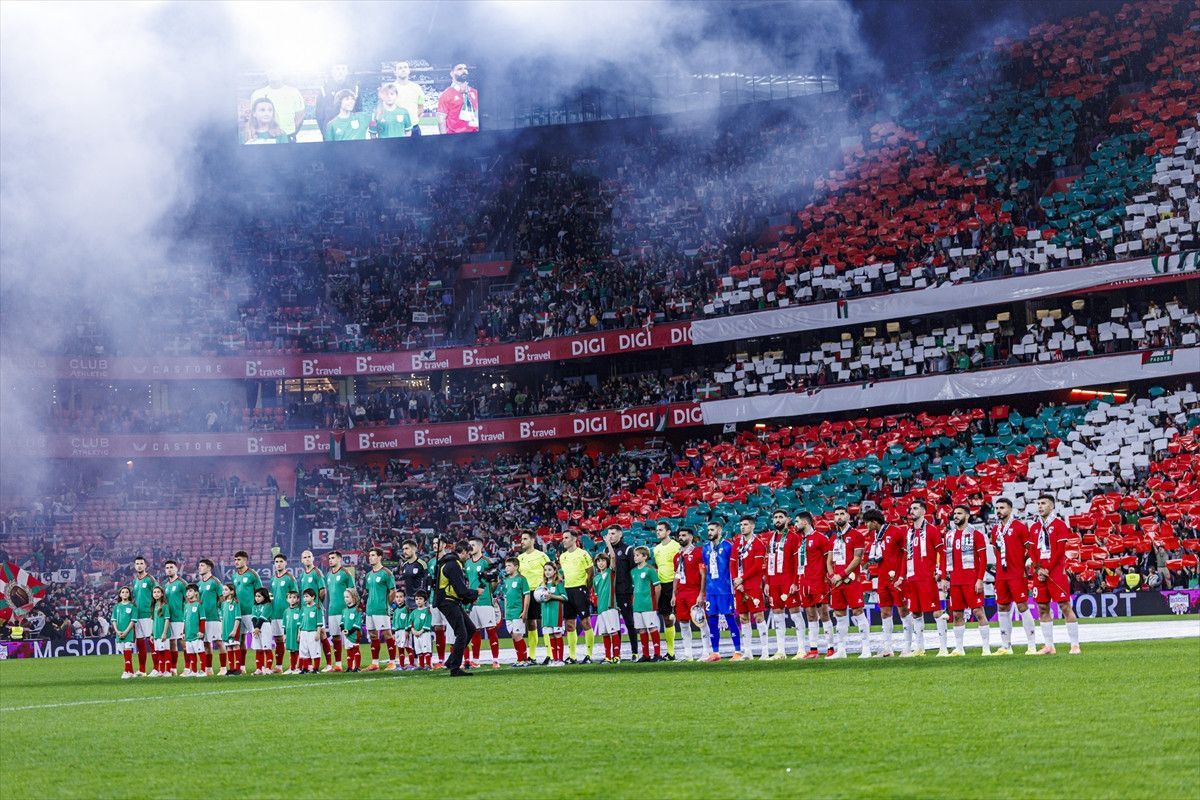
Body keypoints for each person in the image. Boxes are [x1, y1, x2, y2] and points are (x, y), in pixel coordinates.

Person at [1029, 494, 1080, 655]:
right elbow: (1032, 551)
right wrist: (1038, 568)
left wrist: (1048, 569)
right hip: (1039, 572)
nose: (1040, 506)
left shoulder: (1059, 525)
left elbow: (1059, 551)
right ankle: (1049, 646)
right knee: (1042, 607)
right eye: (1038, 503)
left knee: (1065, 606)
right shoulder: (1034, 527)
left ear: (1051, 506)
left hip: (1056, 571)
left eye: (1043, 503)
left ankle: (1075, 645)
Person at [989, 497, 1038, 655]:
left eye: (1002, 508)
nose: (999, 511)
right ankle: (1006, 646)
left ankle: (1032, 646)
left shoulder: (1019, 527)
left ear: (1010, 509)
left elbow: (1029, 547)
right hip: (1001, 575)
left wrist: (1028, 560)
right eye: (997, 508)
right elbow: (995, 550)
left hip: (1017, 573)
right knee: (1002, 607)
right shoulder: (995, 530)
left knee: (1022, 606)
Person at [827, 506, 871, 659]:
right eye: (836, 515)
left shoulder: (856, 535)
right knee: (839, 613)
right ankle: (841, 650)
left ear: (848, 517)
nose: (839, 517)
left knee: (858, 611)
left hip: (851, 580)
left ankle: (866, 649)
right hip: (837, 582)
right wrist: (832, 576)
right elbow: (829, 560)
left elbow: (857, 559)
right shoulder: (833, 537)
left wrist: (841, 575)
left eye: (842, 514)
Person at [903, 502, 947, 658]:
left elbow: (942, 553)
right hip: (912, 578)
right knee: (915, 613)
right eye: (911, 508)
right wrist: (902, 576)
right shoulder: (909, 532)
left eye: (915, 508)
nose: (912, 511)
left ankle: (943, 648)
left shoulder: (932, 530)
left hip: (927, 578)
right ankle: (920, 648)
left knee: (936, 612)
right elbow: (905, 556)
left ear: (923, 511)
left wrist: (941, 574)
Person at [433, 539, 481, 676]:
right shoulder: (454, 564)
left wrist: (469, 596)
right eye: (468, 554)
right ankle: (455, 668)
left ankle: (450, 661)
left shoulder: (448, 562)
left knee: (470, 629)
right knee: (462, 633)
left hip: (448, 600)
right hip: (448, 601)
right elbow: (461, 590)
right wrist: (475, 593)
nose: (469, 557)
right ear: (464, 551)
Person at [862, 509, 907, 657]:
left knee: (903, 610)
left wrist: (902, 575)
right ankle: (888, 648)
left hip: (896, 578)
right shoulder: (875, 535)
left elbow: (905, 554)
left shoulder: (896, 531)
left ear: (874, 522)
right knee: (885, 612)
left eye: (867, 523)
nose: (866, 526)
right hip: (882, 579)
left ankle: (908, 646)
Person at [701, 519, 742, 661]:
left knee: (730, 618)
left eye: (712, 530)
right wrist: (704, 591)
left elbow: (735, 566)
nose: (709, 532)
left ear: (719, 531)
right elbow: (706, 569)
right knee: (712, 620)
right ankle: (715, 653)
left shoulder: (728, 546)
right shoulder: (705, 548)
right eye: (708, 530)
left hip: (725, 589)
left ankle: (738, 651)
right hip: (711, 590)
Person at [796, 512, 834, 659]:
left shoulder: (821, 538)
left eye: (797, 521)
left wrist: (827, 576)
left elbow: (828, 560)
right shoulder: (800, 540)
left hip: (818, 581)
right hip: (804, 582)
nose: (796, 525)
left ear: (805, 522)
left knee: (824, 614)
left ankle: (830, 648)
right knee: (810, 615)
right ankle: (813, 650)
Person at [764, 509, 800, 659]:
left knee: (795, 613)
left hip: (788, 580)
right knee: (777, 614)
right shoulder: (770, 538)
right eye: (775, 517)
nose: (777, 520)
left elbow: (797, 562)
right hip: (773, 582)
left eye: (781, 517)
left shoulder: (794, 537)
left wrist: (795, 581)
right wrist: (767, 582)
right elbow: (768, 561)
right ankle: (781, 651)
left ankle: (801, 649)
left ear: (788, 519)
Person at [731, 515, 769, 659]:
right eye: (741, 525)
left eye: (746, 524)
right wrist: (736, 580)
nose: (742, 527)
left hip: (753, 585)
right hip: (739, 585)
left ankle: (765, 651)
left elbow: (757, 567)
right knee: (743, 618)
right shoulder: (737, 543)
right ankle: (748, 652)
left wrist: (742, 579)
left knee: (759, 617)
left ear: (752, 526)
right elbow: (732, 563)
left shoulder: (759, 544)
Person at [463, 537, 501, 668]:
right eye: (469, 545)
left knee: (491, 630)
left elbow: (495, 580)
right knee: (475, 631)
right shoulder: (467, 563)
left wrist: (488, 593)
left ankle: (495, 660)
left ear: (480, 546)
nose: (470, 547)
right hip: (472, 602)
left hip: (485, 602)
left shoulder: (486, 561)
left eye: (473, 545)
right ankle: (476, 660)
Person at [559, 529, 595, 663]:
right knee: (569, 624)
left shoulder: (583, 554)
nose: (563, 540)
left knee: (585, 622)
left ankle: (589, 655)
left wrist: (586, 588)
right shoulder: (562, 556)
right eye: (563, 538)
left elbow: (591, 572)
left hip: (580, 589)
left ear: (574, 539)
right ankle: (572, 656)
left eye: (566, 538)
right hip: (567, 590)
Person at [672, 527, 707, 661]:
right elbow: (676, 576)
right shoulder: (677, 556)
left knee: (701, 621)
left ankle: (706, 652)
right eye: (680, 535)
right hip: (681, 593)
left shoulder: (698, 552)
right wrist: (674, 594)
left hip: (694, 591)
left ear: (691, 537)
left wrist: (701, 593)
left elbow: (703, 574)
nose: (681, 537)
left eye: (684, 535)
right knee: (683, 623)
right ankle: (688, 654)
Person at [517, 530, 550, 664]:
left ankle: (550, 654)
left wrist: (545, 587)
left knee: (546, 623)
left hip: (540, 592)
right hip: (527, 594)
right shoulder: (520, 558)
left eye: (525, 539)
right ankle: (532, 656)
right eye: (522, 539)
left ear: (532, 540)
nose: (522, 541)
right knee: (531, 623)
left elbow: (551, 571)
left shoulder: (542, 556)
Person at [607, 525, 640, 659]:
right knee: (614, 625)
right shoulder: (606, 550)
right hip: (612, 593)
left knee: (629, 622)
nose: (610, 536)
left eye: (613, 533)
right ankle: (617, 654)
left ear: (620, 534)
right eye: (609, 534)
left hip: (625, 592)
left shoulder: (627, 549)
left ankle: (634, 652)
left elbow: (634, 571)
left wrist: (633, 589)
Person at [363, 547, 399, 670]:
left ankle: (392, 662)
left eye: (373, 555)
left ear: (379, 557)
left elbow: (393, 591)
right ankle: (375, 663)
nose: (370, 557)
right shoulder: (368, 575)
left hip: (382, 609)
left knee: (387, 634)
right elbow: (368, 592)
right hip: (370, 610)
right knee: (373, 635)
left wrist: (386, 604)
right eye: (369, 555)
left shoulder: (386, 573)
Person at [652, 522, 681, 661]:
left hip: (674, 583)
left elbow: (680, 566)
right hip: (662, 585)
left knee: (682, 617)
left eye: (661, 530)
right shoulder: (656, 549)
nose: (658, 532)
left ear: (668, 532)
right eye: (657, 530)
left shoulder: (676, 546)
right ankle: (670, 652)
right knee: (666, 618)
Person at [250, 71, 306, 140]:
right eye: (271, 70)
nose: (274, 73)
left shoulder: (294, 92)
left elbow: (300, 115)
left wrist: (291, 132)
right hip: (261, 138)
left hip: (288, 135)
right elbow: (252, 118)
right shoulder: (257, 94)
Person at [323, 550, 355, 672]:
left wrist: (352, 610)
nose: (330, 560)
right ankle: (338, 664)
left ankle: (351, 664)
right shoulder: (328, 575)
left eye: (333, 558)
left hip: (345, 611)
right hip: (332, 611)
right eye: (329, 558)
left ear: (339, 559)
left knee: (348, 636)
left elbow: (353, 592)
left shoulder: (346, 573)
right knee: (335, 637)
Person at [630, 546, 662, 662]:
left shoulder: (650, 570)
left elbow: (658, 587)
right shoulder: (633, 571)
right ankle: (646, 655)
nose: (635, 557)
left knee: (652, 628)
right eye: (634, 555)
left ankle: (657, 654)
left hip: (648, 604)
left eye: (637, 555)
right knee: (641, 629)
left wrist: (655, 601)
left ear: (645, 557)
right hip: (637, 605)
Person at [296, 550, 326, 668]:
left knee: (322, 634)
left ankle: (329, 664)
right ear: (301, 560)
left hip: (315, 609)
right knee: (305, 638)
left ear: (313, 558)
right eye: (305, 557)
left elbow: (322, 590)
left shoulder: (317, 572)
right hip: (305, 610)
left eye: (309, 556)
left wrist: (318, 604)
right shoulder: (302, 575)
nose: (307, 559)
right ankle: (307, 665)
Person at [231, 550, 262, 663]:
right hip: (238, 613)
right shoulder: (234, 576)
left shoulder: (252, 574)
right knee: (240, 640)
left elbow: (260, 593)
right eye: (235, 560)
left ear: (245, 560)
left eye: (239, 559)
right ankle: (242, 666)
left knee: (257, 638)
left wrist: (258, 610)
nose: (236, 562)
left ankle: (261, 666)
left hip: (251, 612)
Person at [268, 554, 297, 673]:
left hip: (287, 614)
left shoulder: (290, 578)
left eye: (281, 561)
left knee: (290, 639)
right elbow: (271, 595)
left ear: (285, 563)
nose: (278, 564)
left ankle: (293, 665)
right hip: (275, 614)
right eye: (276, 562)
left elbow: (295, 595)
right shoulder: (272, 579)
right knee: (278, 640)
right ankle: (279, 667)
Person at [500, 556, 531, 667]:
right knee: (514, 636)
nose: (506, 568)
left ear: (516, 566)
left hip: (518, 612)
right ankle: (519, 659)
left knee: (518, 635)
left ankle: (524, 660)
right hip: (509, 613)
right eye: (506, 566)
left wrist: (525, 611)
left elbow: (527, 595)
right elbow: (505, 597)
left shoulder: (521, 579)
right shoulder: (506, 580)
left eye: (509, 566)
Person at [593, 544, 621, 663]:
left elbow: (613, 557)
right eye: (598, 561)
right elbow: (597, 595)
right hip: (601, 609)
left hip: (611, 606)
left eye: (603, 560)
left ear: (607, 561)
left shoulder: (611, 572)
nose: (601, 563)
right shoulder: (595, 579)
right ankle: (608, 657)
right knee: (605, 633)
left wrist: (608, 543)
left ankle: (617, 656)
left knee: (613, 631)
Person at [196, 559, 225, 675]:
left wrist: (220, 611)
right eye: (199, 565)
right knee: (206, 643)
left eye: (202, 565)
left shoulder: (215, 582)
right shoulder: (199, 584)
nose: (199, 567)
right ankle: (209, 669)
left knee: (219, 642)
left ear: (209, 568)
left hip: (214, 617)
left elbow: (222, 598)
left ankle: (223, 668)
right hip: (204, 618)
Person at [130, 556, 156, 676]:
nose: (139, 566)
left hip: (148, 615)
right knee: (140, 642)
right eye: (137, 564)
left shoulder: (150, 579)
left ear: (145, 565)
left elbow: (158, 594)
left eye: (141, 563)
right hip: (138, 616)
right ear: (134, 566)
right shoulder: (135, 581)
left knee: (151, 641)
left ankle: (156, 668)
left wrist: (154, 611)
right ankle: (142, 670)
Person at [315, 63, 359, 135]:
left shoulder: (355, 89)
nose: (340, 72)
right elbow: (319, 115)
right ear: (332, 71)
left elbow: (359, 111)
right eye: (337, 69)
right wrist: (325, 132)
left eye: (343, 69)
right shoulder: (324, 90)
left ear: (347, 71)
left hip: (350, 132)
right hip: (332, 132)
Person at [538, 562, 568, 666]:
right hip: (546, 614)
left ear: (555, 571)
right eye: (545, 570)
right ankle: (554, 659)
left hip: (556, 613)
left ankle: (560, 660)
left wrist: (552, 596)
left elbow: (565, 597)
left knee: (557, 634)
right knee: (550, 635)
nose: (547, 572)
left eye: (550, 570)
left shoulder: (558, 583)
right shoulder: (542, 585)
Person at [436, 63, 479, 134]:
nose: (464, 71)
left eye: (465, 69)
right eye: (459, 69)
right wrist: (444, 139)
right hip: (455, 136)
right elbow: (441, 120)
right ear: (452, 74)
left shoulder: (474, 92)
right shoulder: (446, 94)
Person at [162, 560, 187, 675]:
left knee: (183, 642)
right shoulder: (165, 585)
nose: (169, 569)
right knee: (172, 643)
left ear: (176, 569)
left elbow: (189, 598)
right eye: (167, 568)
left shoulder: (182, 583)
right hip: (169, 618)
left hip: (180, 617)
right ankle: (173, 668)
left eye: (171, 567)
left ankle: (188, 668)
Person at [391, 61, 426, 135]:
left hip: (414, 128)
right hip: (396, 128)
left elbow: (420, 107)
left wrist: (412, 119)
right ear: (395, 72)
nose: (403, 70)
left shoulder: (417, 88)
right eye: (400, 68)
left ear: (409, 70)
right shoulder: (390, 88)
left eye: (405, 67)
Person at [219, 583, 243, 675]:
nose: (223, 592)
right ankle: (232, 669)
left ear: (232, 592)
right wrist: (222, 630)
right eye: (223, 590)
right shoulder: (223, 604)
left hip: (233, 629)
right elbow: (222, 619)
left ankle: (238, 669)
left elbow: (238, 618)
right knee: (229, 647)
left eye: (226, 590)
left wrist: (234, 630)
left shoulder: (235, 602)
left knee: (235, 646)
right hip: (225, 629)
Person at [111, 586, 136, 679]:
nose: (125, 594)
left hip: (128, 633)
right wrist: (117, 631)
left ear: (129, 594)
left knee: (127, 650)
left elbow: (133, 621)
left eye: (127, 592)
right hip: (119, 633)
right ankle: (131, 672)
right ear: (120, 594)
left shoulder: (132, 606)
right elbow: (114, 620)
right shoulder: (116, 607)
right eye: (123, 592)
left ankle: (126, 671)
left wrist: (126, 632)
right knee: (124, 653)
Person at [299, 588, 324, 673]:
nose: (305, 598)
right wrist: (299, 633)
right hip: (303, 632)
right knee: (304, 651)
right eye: (304, 597)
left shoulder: (317, 608)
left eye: (307, 596)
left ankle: (316, 669)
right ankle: (305, 669)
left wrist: (318, 633)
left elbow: (319, 622)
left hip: (313, 632)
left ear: (313, 597)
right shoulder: (303, 608)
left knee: (315, 650)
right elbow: (300, 622)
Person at [182, 585, 205, 677]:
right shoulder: (186, 606)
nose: (188, 593)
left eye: (190, 591)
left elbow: (202, 619)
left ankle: (203, 671)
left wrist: (201, 631)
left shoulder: (199, 604)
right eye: (187, 591)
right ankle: (194, 671)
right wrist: (184, 632)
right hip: (188, 634)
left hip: (196, 634)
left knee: (200, 652)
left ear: (196, 593)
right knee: (191, 653)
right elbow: (185, 621)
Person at [250, 587, 274, 675]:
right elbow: (253, 617)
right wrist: (255, 628)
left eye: (259, 596)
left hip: (265, 626)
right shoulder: (254, 606)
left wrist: (257, 628)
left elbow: (263, 617)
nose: (257, 598)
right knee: (258, 648)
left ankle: (268, 668)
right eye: (256, 596)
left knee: (266, 648)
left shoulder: (268, 605)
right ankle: (259, 669)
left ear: (265, 596)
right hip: (256, 627)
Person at [149, 585, 171, 677]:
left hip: (163, 633)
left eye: (158, 592)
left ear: (162, 594)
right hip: (156, 634)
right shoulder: (154, 606)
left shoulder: (165, 606)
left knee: (166, 651)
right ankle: (161, 671)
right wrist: (152, 634)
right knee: (160, 652)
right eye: (154, 592)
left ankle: (168, 671)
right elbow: (153, 621)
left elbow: (167, 619)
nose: (156, 594)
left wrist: (164, 633)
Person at [341, 589, 364, 672]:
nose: (345, 599)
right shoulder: (344, 610)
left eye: (347, 597)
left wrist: (349, 631)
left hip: (355, 633)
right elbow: (342, 622)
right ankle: (349, 667)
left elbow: (357, 624)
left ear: (353, 598)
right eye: (344, 597)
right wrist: (343, 629)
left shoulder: (357, 610)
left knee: (355, 649)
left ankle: (357, 667)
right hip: (346, 634)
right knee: (348, 650)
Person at [410, 591, 434, 670]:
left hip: (424, 634)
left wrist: (421, 631)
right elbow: (411, 622)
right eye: (416, 599)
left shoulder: (427, 611)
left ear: (425, 600)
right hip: (415, 634)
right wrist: (413, 630)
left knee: (426, 649)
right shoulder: (413, 612)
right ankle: (421, 665)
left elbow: (427, 622)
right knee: (418, 650)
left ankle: (428, 665)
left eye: (420, 599)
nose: (418, 601)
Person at [391, 590, 414, 671]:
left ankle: (411, 665)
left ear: (404, 598)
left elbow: (409, 620)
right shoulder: (395, 610)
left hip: (405, 631)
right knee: (400, 648)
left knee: (408, 647)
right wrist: (393, 632)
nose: (399, 599)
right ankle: (401, 665)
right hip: (398, 632)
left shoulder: (406, 609)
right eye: (397, 597)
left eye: (401, 597)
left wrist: (407, 630)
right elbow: (393, 622)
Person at [283, 590, 302, 674]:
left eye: (294, 597)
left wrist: (299, 634)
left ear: (298, 599)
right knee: (291, 650)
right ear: (287, 599)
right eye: (290, 597)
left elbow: (300, 624)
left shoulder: (299, 610)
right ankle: (292, 668)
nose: (292, 599)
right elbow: (284, 625)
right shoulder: (286, 611)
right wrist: (285, 635)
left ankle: (299, 667)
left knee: (298, 650)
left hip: (296, 633)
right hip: (289, 634)